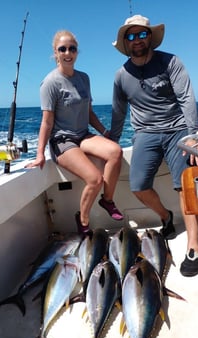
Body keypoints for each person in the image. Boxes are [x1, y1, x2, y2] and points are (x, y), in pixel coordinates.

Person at [110, 14, 198, 277]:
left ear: (150, 36)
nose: (137, 40)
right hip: (145, 134)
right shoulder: (121, 75)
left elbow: (186, 98)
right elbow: (118, 113)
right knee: (139, 186)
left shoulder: (170, 62)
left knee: (184, 183)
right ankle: (165, 217)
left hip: (177, 129)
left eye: (142, 34)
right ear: (125, 43)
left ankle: (194, 245)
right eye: (131, 36)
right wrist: (111, 141)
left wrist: (192, 136)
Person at [26, 30, 123, 235]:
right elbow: (46, 122)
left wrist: (104, 131)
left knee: (115, 152)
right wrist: (39, 154)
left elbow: (88, 112)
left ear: (77, 52)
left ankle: (107, 200)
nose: (68, 52)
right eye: (62, 49)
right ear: (55, 52)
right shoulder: (50, 83)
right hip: (62, 140)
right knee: (95, 179)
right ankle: (84, 220)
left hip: (83, 135)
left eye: (72, 48)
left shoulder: (84, 78)